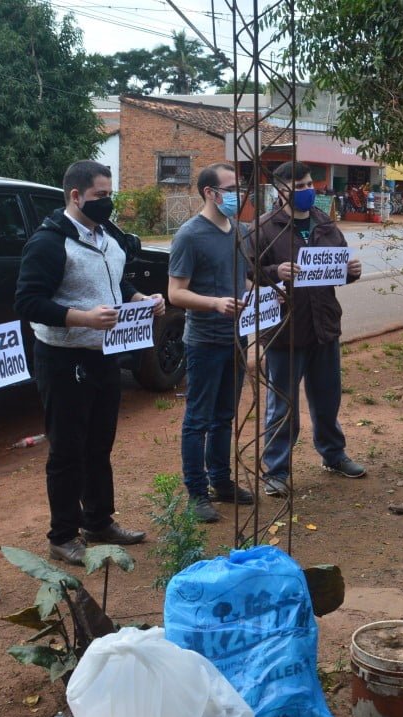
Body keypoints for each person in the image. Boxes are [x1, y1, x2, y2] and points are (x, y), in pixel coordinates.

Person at [15, 161, 163, 565]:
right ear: (76, 196)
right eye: (100, 195)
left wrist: (138, 298)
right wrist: (83, 318)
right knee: (67, 449)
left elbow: (115, 280)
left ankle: (98, 520)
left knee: (99, 444)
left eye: (110, 194)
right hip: (64, 358)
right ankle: (62, 536)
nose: (107, 202)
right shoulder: (48, 243)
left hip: (105, 353)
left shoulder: (106, 235)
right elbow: (27, 302)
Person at [250, 161, 365, 497]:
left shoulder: (324, 223)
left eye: (308, 184)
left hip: (323, 327)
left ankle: (333, 454)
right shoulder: (264, 229)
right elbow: (247, 272)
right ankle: (276, 470)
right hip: (285, 331)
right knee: (282, 405)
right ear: (281, 190)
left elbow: (337, 269)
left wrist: (352, 271)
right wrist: (276, 271)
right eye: (298, 186)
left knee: (328, 398)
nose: (306, 191)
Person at [167, 163, 256, 523]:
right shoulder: (190, 235)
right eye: (231, 188)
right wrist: (215, 304)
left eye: (239, 187)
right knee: (198, 419)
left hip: (236, 338)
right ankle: (197, 492)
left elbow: (240, 280)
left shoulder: (240, 231)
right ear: (210, 192)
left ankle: (221, 481)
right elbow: (176, 293)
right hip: (204, 341)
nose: (238, 194)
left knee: (224, 416)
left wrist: (264, 293)